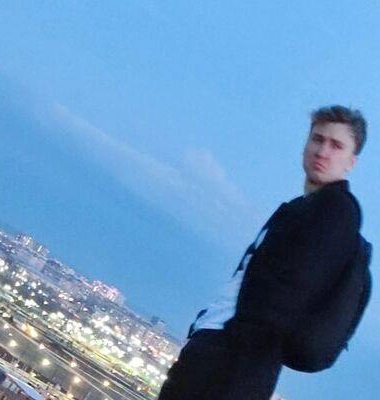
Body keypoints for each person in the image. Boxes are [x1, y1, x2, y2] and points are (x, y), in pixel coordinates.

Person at [158, 105, 371, 400]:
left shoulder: (336, 208)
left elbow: (295, 290)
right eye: (317, 139)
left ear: (351, 161)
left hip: (232, 364)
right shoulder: (305, 207)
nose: (323, 151)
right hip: (227, 358)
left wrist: (235, 342)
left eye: (336, 145)